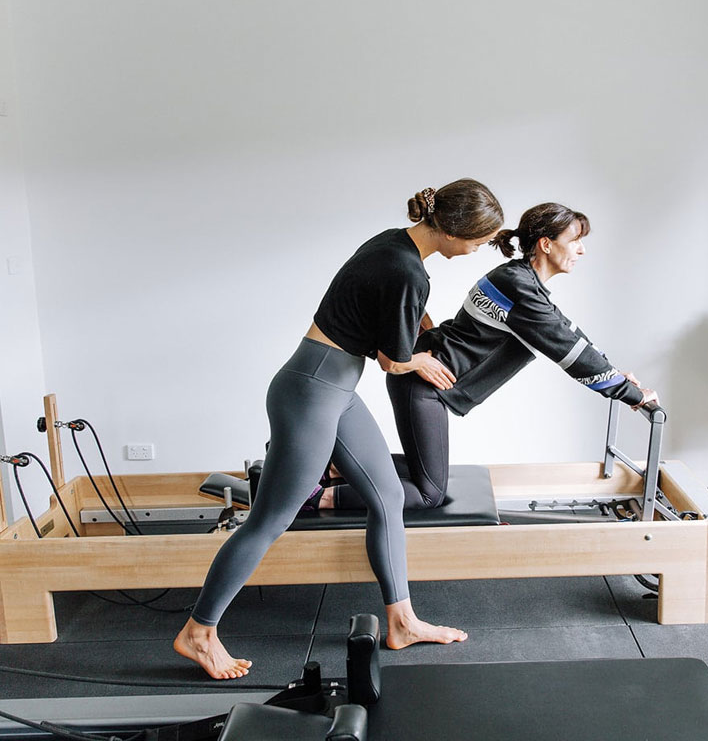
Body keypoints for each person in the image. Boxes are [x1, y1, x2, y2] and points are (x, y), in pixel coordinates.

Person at [174, 179, 503, 679]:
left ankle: (403, 621)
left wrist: (425, 339)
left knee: (388, 496)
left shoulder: (393, 243)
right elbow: (392, 361)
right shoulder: (408, 270)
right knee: (268, 521)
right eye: (479, 240)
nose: (479, 248)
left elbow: (403, 314)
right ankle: (198, 631)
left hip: (333, 389)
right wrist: (423, 363)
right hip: (311, 393)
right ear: (456, 230)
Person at [320, 202, 657, 512]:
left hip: (426, 382)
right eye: (575, 241)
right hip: (424, 386)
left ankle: (333, 465)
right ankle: (319, 497)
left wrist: (619, 378)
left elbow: (568, 332)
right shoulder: (520, 288)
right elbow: (570, 352)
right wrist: (633, 396)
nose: (581, 250)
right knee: (429, 494)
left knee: (426, 470)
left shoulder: (518, 280)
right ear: (546, 244)